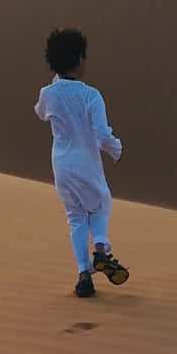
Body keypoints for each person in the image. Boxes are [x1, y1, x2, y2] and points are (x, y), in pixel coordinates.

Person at [35, 28, 129, 298]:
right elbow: (101, 132)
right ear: (79, 60)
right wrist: (116, 149)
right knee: (100, 205)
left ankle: (83, 276)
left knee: (75, 217)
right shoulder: (91, 95)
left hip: (61, 165)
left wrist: (54, 85)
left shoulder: (48, 93)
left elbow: (41, 113)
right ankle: (100, 250)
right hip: (86, 161)